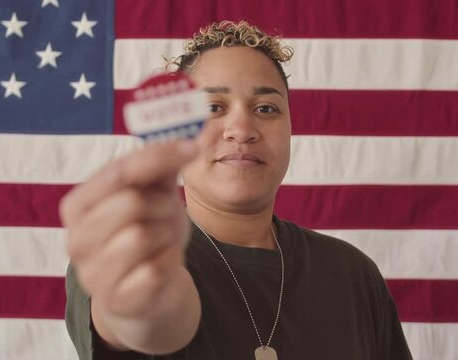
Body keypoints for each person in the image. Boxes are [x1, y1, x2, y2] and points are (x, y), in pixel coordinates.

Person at [62, 20, 413, 359]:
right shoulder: (127, 252)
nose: (242, 128)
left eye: (265, 108)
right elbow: (145, 321)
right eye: (214, 108)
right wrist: (141, 304)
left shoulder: (352, 273)